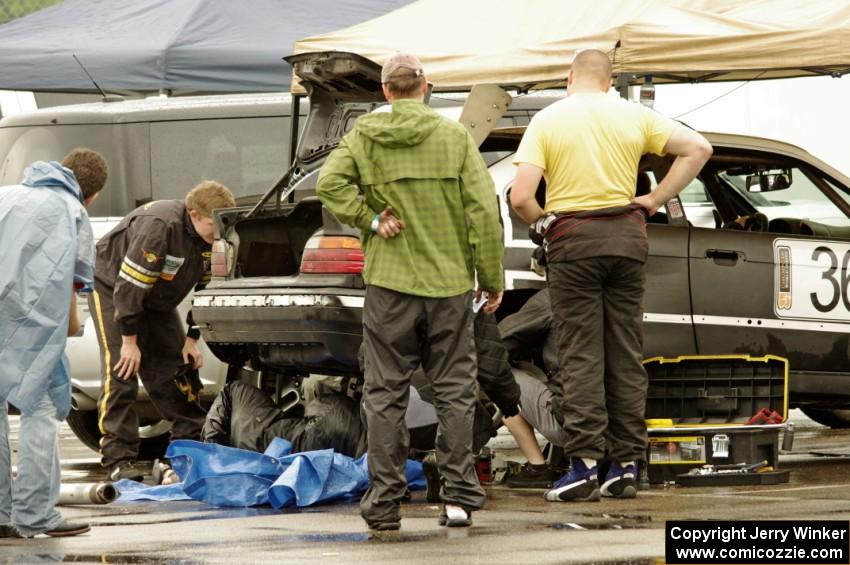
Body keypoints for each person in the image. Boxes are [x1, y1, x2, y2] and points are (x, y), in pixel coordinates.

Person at [510, 49, 712, 502]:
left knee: (580, 355)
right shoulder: (636, 115)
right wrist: (654, 198)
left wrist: (545, 221)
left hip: (574, 245)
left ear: (569, 78)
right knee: (624, 353)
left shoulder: (549, 119)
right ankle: (623, 465)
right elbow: (699, 149)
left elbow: (522, 196)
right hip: (626, 240)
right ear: (609, 81)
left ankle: (582, 465)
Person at [316, 52, 505, 530]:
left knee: (384, 394)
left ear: (385, 91)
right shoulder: (454, 136)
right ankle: (460, 498)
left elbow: (329, 183)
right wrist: (491, 278)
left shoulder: (363, 136)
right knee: (456, 392)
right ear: (426, 87)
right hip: (449, 286)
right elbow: (484, 210)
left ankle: (383, 505)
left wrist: (371, 218)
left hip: (390, 287)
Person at [90, 181, 236, 482]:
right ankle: (119, 460)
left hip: (158, 297)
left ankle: (185, 451)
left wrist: (191, 338)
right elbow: (130, 289)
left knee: (179, 371)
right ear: (194, 215)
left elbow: (208, 290)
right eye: (213, 225)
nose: (218, 233)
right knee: (123, 370)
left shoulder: (211, 239)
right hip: (114, 289)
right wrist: (130, 342)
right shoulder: (160, 227)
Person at [0, 148, 108, 538]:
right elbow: (69, 280)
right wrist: (74, 326)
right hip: (32, 327)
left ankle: (0, 515)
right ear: (92, 196)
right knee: (41, 409)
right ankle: (35, 515)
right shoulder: (70, 210)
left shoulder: (7, 196)